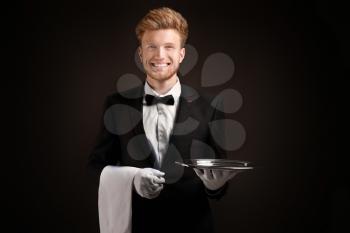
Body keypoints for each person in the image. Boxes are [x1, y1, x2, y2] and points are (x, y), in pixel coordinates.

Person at [89, 7, 240, 233]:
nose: (160, 55)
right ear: (141, 54)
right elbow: (95, 168)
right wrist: (132, 178)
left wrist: (215, 186)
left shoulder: (210, 107)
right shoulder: (116, 105)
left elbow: (219, 180)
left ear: (181, 54)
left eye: (169, 47)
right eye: (151, 46)